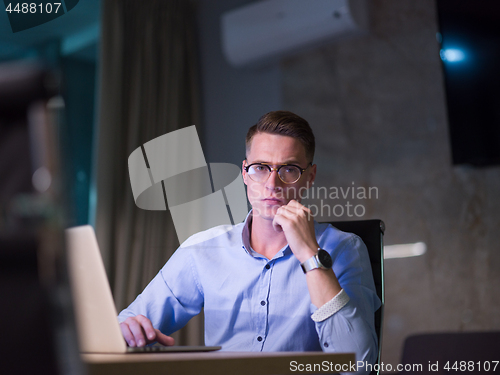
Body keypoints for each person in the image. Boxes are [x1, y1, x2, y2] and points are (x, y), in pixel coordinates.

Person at [118, 111, 381, 369]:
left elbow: (358, 365)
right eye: (260, 168)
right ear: (245, 173)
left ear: (310, 177)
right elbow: (128, 322)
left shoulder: (346, 249)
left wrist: (310, 255)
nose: (272, 183)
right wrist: (128, 329)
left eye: (289, 169)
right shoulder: (203, 250)